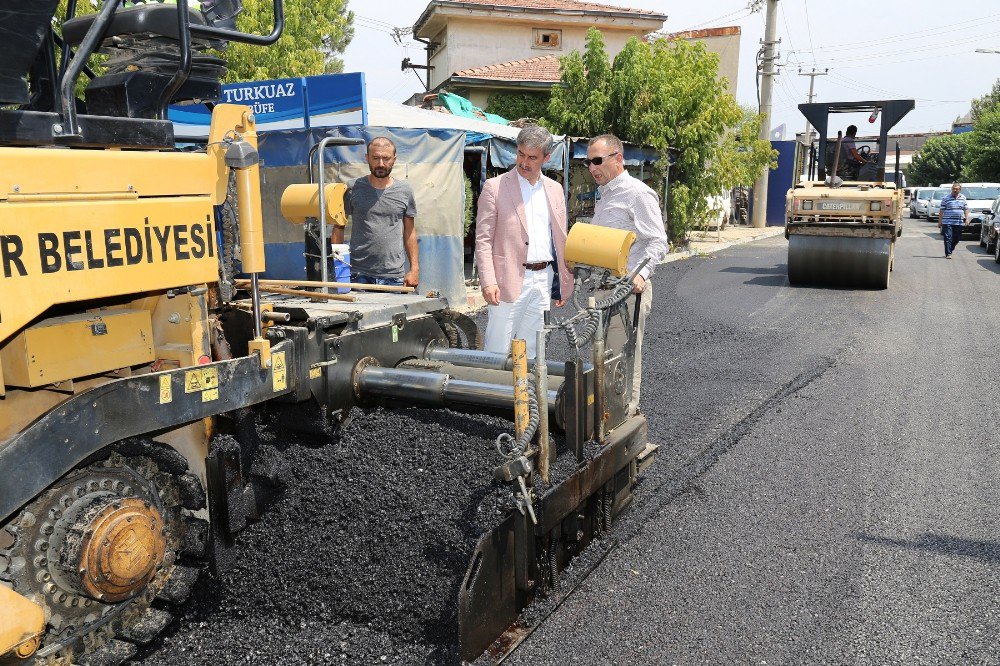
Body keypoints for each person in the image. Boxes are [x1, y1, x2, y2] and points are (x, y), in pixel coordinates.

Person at [586, 134, 668, 415]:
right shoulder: (605, 195)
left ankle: (625, 417)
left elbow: (658, 242)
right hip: (603, 291)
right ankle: (605, 415)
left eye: (597, 161)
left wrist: (641, 275)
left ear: (618, 159)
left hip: (627, 292)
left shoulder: (638, 194)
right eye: (588, 162)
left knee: (624, 357)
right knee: (602, 355)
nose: (592, 168)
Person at [475, 125, 573, 358]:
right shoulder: (495, 187)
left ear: (546, 158)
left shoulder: (555, 189)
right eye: (520, 154)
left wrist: (564, 282)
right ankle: (494, 394)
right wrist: (488, 281)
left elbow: (561, 238)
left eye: (532, 157)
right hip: (506, 279)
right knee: (497, 350)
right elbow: (483, 239)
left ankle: (525, 394)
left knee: (533, 350)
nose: (524, 162)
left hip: (543, 279)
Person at [334, 137, 419, 287]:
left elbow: (410, 231)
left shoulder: (405, 191)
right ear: (367, 158)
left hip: (394, 277)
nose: (380, 164)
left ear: (394, 159)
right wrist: (337, 267)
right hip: (357, 274)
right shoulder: (352, 188)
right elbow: (338, 226)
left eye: (386, 158)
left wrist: (414, 269)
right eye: (375, 158)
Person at [938, 181, 968, 258]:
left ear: (960, 190)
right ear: (951, 189)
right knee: (948, 237)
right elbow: (941, 210)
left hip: (958, 222)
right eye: (954, 189)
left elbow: (966, 209)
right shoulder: (946, 198)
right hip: (947, 222)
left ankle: (950, 249)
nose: (955, 190)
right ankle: (948, 253)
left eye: (957, 189)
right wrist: (940, 221)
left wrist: (967, 219)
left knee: (957, 238)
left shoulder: (963, 198)